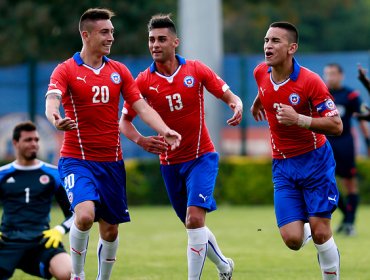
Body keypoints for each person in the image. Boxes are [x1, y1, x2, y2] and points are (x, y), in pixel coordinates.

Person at [45, 8, 181, 280]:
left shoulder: (119, 71)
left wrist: (165, 129)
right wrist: (55, 119)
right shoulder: (67, 69)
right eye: (104, 32)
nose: (110, 37)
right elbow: (52, 100)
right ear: (86, 35)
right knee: (84, 216)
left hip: (112, 163)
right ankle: (78, 275)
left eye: (112, 32)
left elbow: (141, 107)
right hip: (77, 159)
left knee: (110, 231)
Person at [120, 14, 243, 280]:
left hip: (202, 157)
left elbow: (226, 93)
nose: (155, 44)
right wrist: (141, 140)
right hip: (169, 164)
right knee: (193, 227)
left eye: (161, 39)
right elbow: (124, 123)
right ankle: (224, 266)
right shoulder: (142, 81)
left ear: (176, 42)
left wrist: (237, 104)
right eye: (151, 40)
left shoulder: (195, 70)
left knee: (195, 220)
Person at [250, 22, 342, 279]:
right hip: (283, 166)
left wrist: (299, 119)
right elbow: (265, 87)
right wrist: (257, 103)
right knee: (292, 240)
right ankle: (310, 226)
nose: (268, 45)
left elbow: (337, 125)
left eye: (275, 41)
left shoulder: (311, 81)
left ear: (292, 48)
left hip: (315, 163)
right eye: (266, 40)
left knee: (322, 233)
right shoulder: (260, 72)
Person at [0, 121, 73, 280]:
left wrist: (59, 230)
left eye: (36, 140)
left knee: (69, 273)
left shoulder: (54, 174)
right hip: (7, 241)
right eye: (28, 140)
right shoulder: (2, 174)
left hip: (41, 241)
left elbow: (75, 214)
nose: (33, 144)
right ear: (15, 143)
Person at [323, 63, 370, 236]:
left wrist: (367, 141)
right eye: (327, 74)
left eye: (333, 73)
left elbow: (362, 118)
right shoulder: (321, 93)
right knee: (327, 184)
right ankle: (347, 218)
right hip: (325, 145)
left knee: (349, 183)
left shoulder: (351, 95)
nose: (330, 77)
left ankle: (350, 223)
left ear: (341, 75)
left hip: (345, 144)